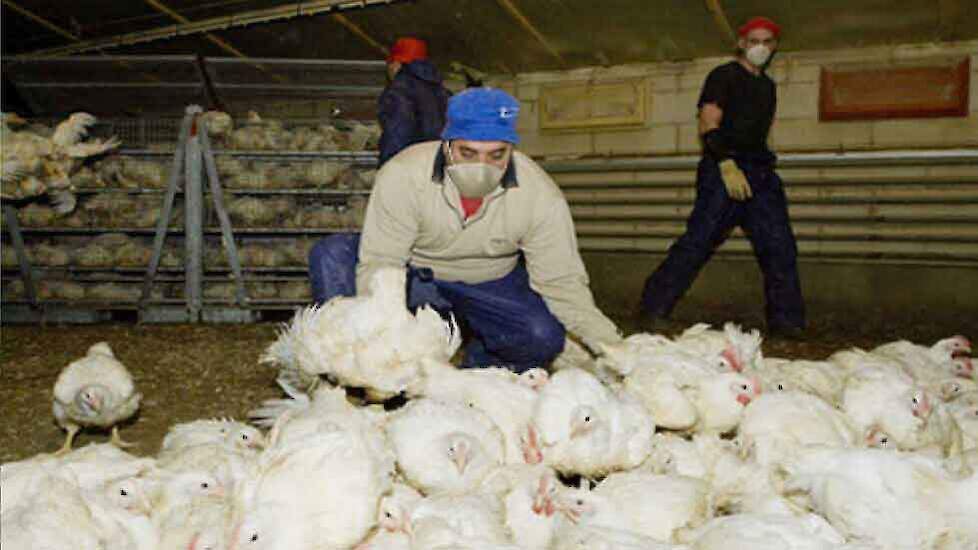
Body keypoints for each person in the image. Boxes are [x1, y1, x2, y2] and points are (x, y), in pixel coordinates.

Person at [309, 87, 622, 372]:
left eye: (496, 155)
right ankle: (349, 368)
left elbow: (562, 283)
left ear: (512, 150)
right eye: (467, 153)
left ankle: (481, 368)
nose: (481, 166)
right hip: (415, 276)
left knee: (542, 337)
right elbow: (382, 262)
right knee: (333, 254)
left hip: (489, 281)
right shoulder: (403, 175)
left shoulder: (539, 195)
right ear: (446, 145)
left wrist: (617, 349)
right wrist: (378, 343)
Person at [638, 16, 806, 337]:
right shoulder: (723, 76)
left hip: (760, 173)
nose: (760, 47)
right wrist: (725, 162)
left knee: (779, 246)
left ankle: (787, 322)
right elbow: (708, 122)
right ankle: (653, 308)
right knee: (698, 242)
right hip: (723, 169)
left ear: (774, 47)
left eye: (767, 41)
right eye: (753, 40)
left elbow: (762, 133)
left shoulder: (767, 87)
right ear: (741, 44)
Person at [377, 37, 451, 167]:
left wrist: (387, 168)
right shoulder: (439, 89)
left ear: (397, 63)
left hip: (409, 166)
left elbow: (397, 134)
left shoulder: (399, 90)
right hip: (436, 165)